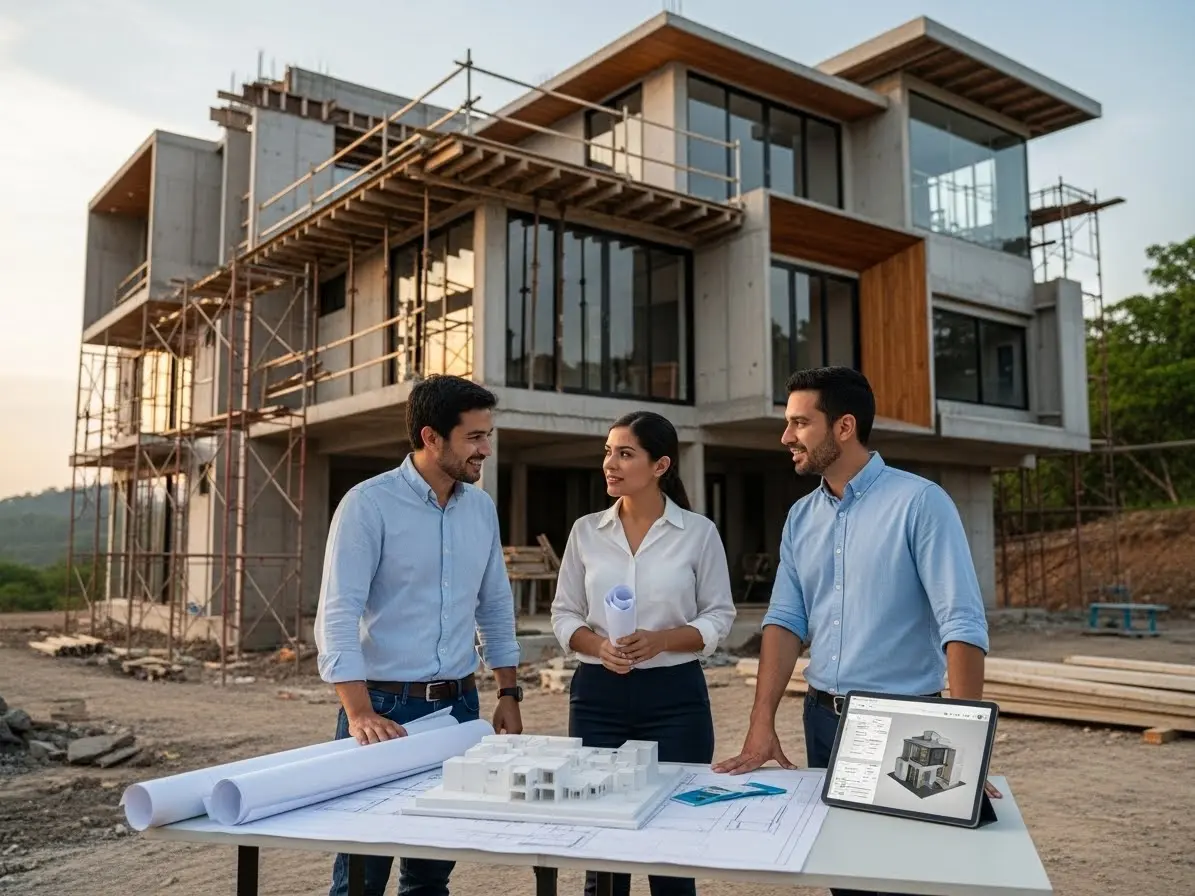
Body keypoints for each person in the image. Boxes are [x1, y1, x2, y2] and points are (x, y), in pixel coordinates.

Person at [712, 367, 996, 896]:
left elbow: (961, 621)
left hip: (904, 724)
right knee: (845, 876)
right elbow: (785, 621)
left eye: (800, 423)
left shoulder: (920, 502)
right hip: (822, 720)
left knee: (903, 880)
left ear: (844, 427)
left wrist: (967, 746)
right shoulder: (801, 517)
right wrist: (761, 720)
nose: (786, 436)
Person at [314, 374, 523, 896]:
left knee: (431, 876)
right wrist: (359, 712)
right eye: (474, 437)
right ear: (431, 437)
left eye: (487, 435)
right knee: (362, 875)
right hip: (384, 711)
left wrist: (509, 691)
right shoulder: (368, 505)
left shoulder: (481, 508)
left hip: (459, 710)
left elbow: (495, 605)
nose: (485, 449)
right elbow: (338, 614)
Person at [551, 410, 736, 896]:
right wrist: (599, 646)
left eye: (625, 454)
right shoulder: (585, 532)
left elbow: (719, 616)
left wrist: (662, 640)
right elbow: (564, 614)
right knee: (603, 847)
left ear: (660, 465)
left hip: (676, 700)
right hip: (597, 697)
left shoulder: (698, 533)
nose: (610, 464)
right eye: (608, 452)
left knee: (671, 846)